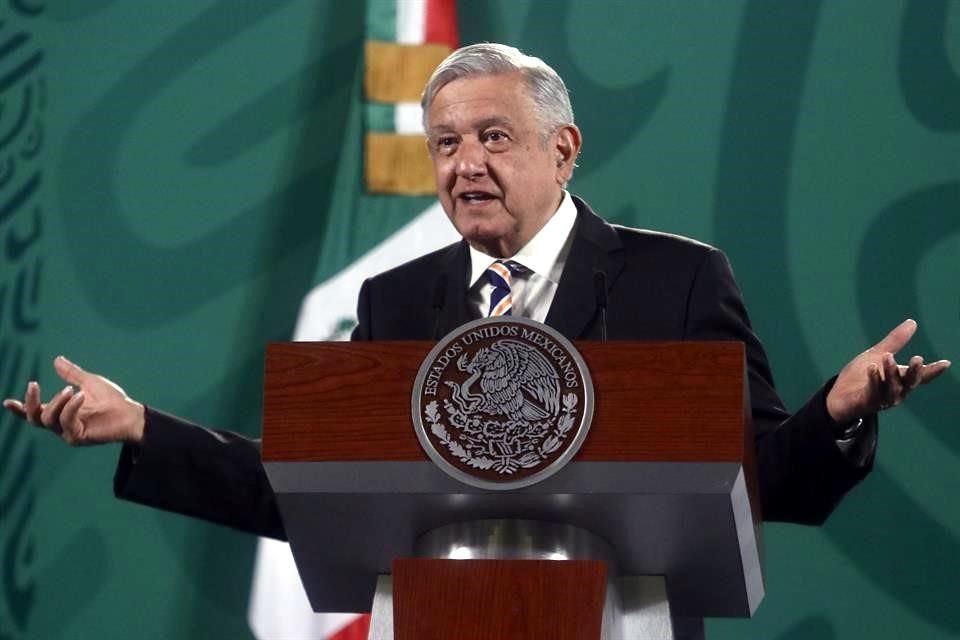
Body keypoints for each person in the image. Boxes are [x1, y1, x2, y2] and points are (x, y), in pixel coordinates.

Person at [2, 44, 950, 535]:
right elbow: (310, 489)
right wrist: (143, 429)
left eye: (493, 137)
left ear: (563, 149)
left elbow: (764, 478)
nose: (465, 166)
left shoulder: (677, 278)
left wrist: (837, 409)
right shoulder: (396, 302)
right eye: (446, 144)